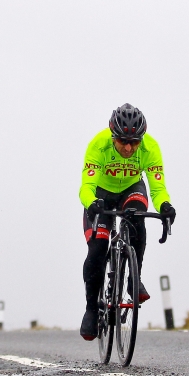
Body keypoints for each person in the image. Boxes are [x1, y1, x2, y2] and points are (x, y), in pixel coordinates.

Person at [78, 103, 176, 341]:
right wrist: (92, 203)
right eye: (123, 141)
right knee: (98, 248)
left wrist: (165, 205)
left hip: (131, 189)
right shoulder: (98, 145)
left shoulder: (150, 148)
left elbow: (157, 189)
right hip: (100, 194)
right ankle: (91, 309)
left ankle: (134, 278)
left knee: (137, 218)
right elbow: (86, 187)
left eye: (135, 142)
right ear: (113, 136)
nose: (129, 148)